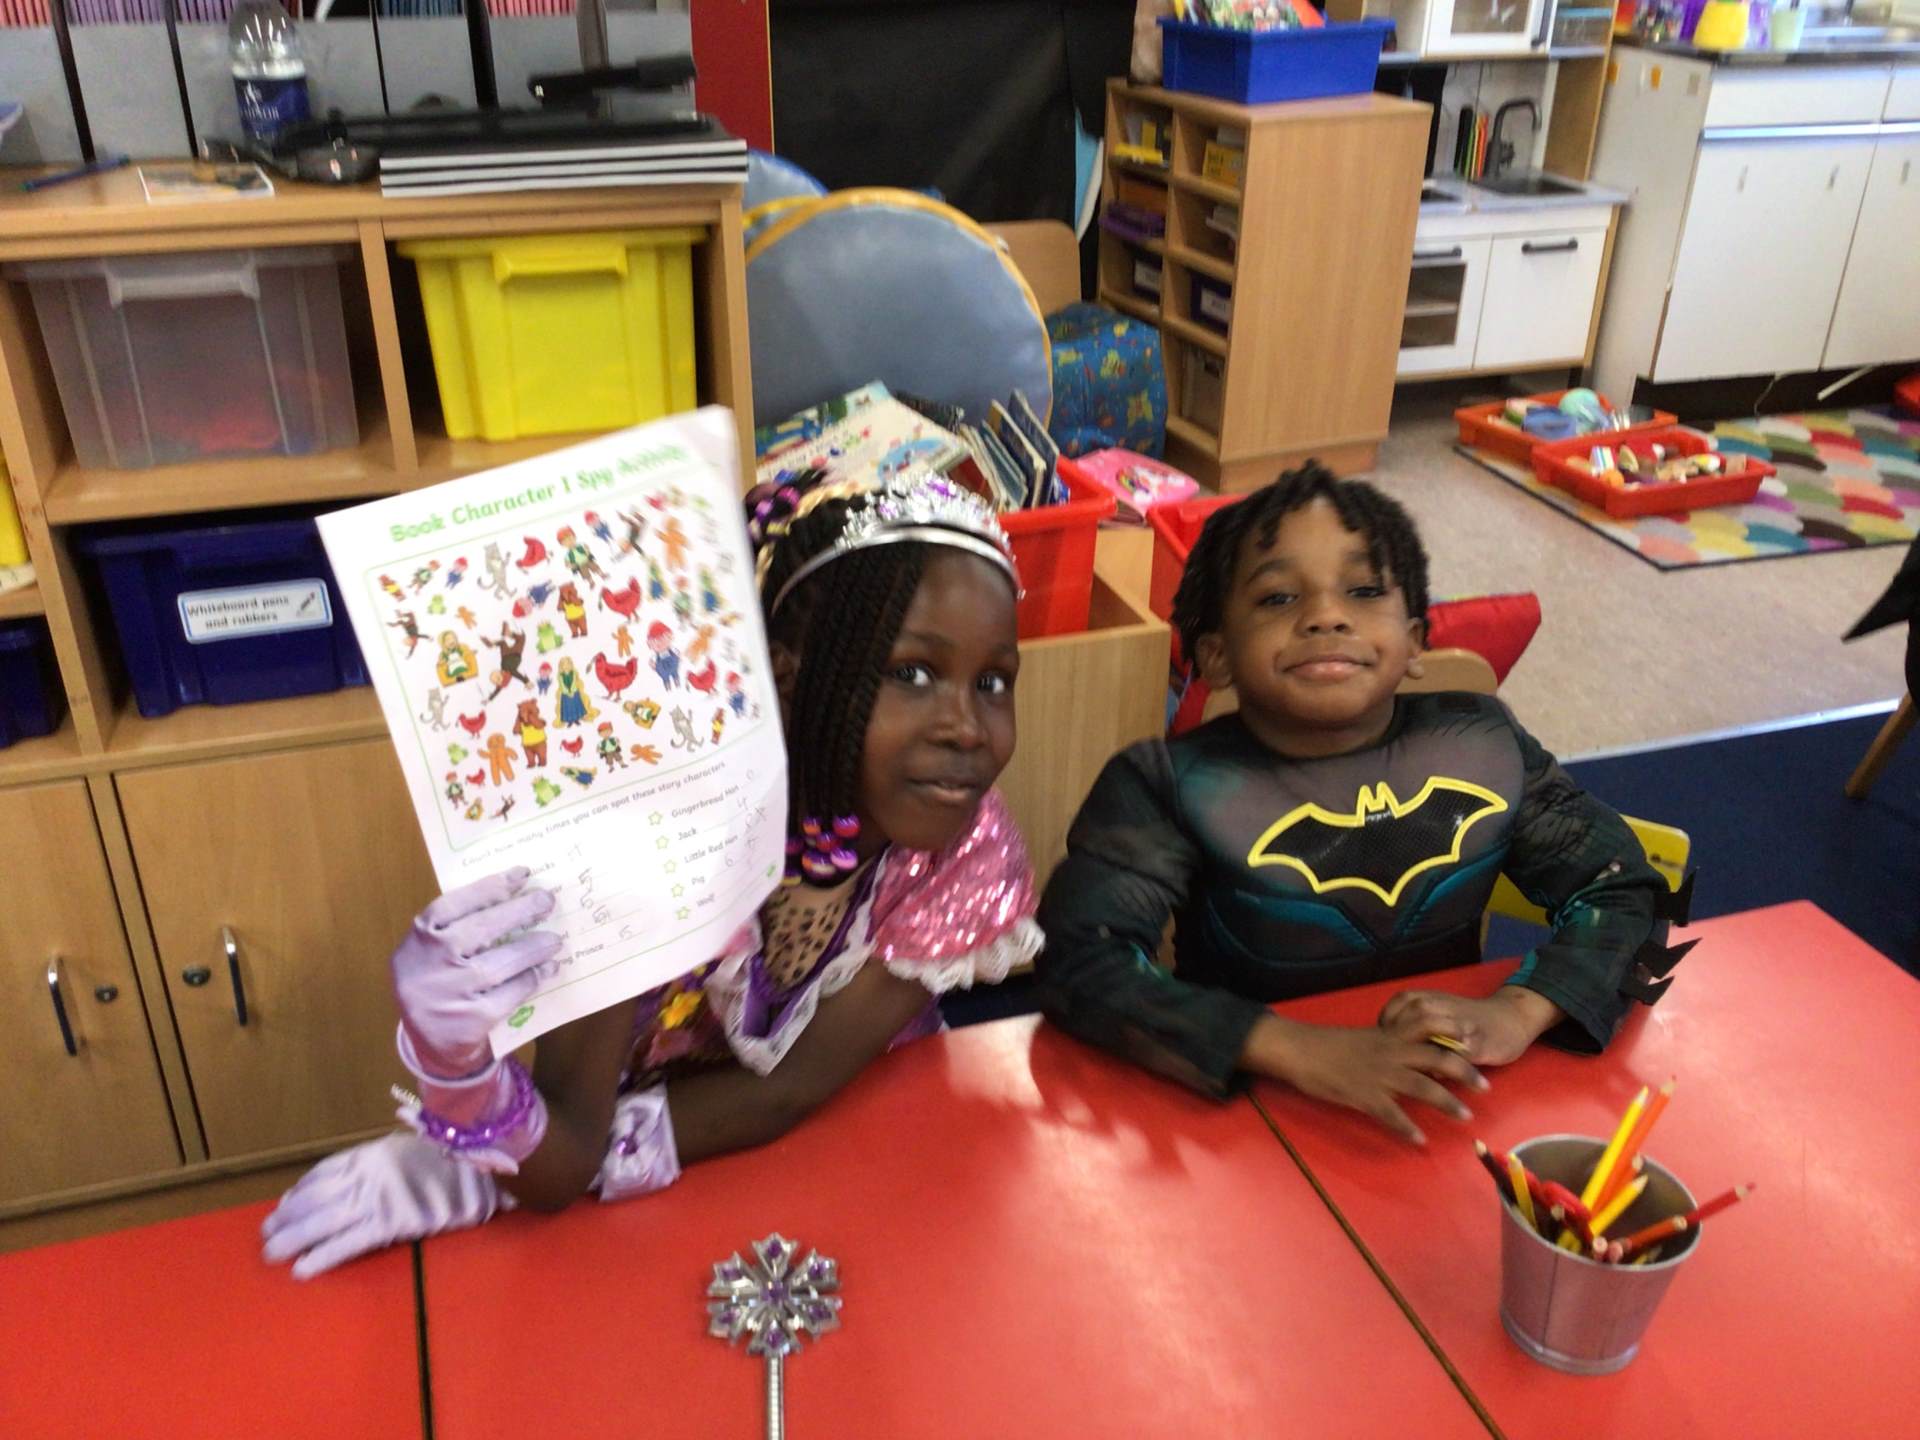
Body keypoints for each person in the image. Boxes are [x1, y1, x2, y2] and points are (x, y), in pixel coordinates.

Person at [263, 472, 1038, 1277]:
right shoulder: (654, 837)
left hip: (850, 1146)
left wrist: (518, 1170)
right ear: (788, 673)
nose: (966, 727)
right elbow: (565, 1150)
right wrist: (461, 1082)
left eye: (993, 682)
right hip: (633, 1209)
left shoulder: (965, 847)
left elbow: (790, 1090)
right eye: (913, 672)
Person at [1035, 463, 1690, 1144]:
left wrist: (1519, 1012)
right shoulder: (1165, 783)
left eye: (1364, 590)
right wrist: (1293, 1048)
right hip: (1250, 1116)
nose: (1326, 615)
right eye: (1278, 597)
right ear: (1217, 655)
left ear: (1415, 640)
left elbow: (1624, 889)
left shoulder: (1482, 744)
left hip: (1449, 1101)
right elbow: (1082, 960)